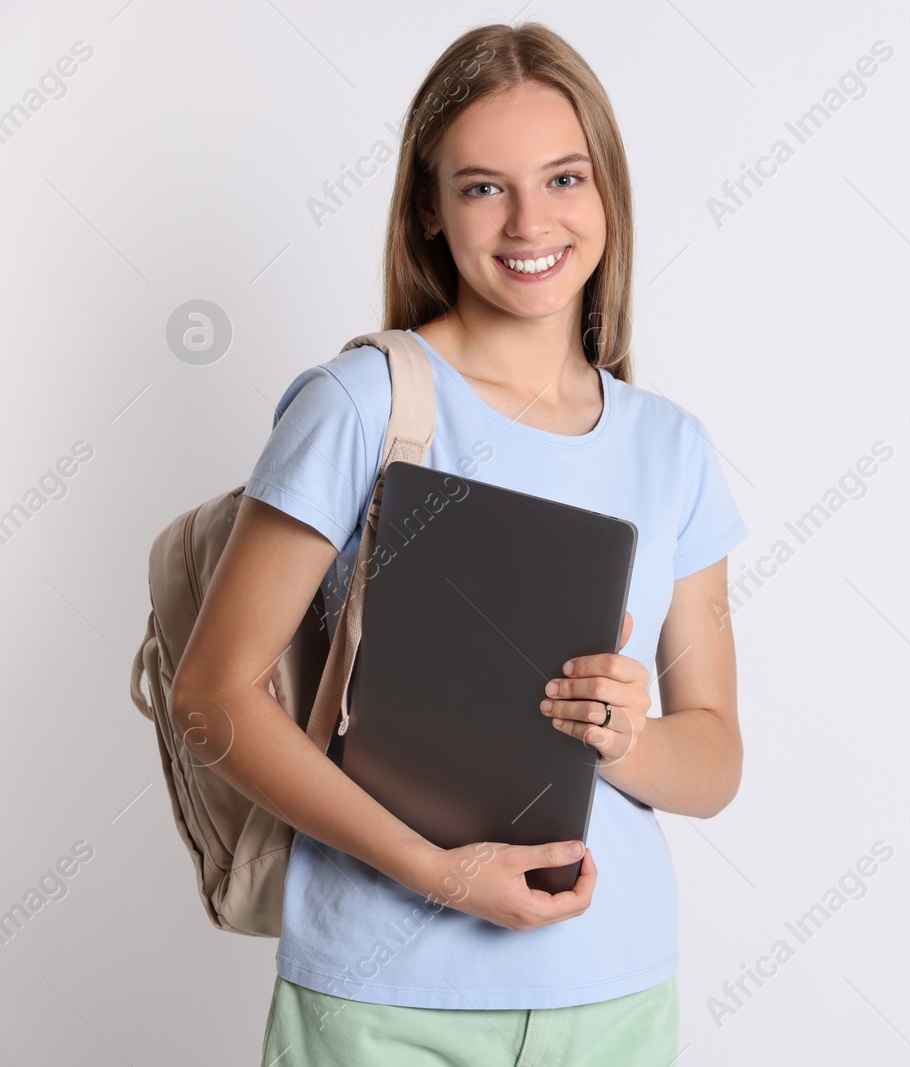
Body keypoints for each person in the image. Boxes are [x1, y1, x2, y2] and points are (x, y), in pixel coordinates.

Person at [170, 21, 748, 1066]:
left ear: (608, 191)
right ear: (429, 212)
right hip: (386, 992)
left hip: (612, 990)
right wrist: (438, 874)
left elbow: (714, 760)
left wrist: (630, 736)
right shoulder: (364, 403)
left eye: (564, 177)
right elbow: (212, 696)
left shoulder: (672, 445)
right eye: (483, 186)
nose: (531, 219)